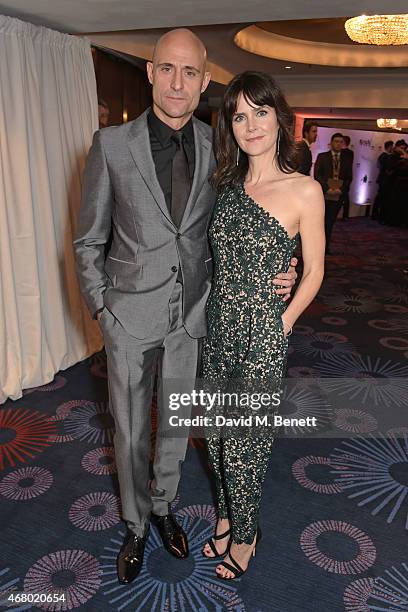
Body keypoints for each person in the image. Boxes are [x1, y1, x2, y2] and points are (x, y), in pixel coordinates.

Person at [74, 30, 297, 585]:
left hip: (192, 317)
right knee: (128, 430)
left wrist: (283, 268)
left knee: (177, 424)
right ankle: (133, 524)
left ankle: (165, 506)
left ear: (203, 82)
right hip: (128, 315)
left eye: (190, 73)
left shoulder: (218, 147)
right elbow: (87, 241)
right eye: (168, 70)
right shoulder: (111, 145)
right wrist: (103, 307)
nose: (178, 82)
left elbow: (246, 220)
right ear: (150, 72)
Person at [200, 71, 325, 580]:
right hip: (217, 326)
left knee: (246, 441)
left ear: (279, 118)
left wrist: (285, 321)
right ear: (230, 126)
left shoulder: (305, 190)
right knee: (214, 433)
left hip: (262, 333)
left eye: (261, 112)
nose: (250, 125)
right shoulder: (223, 185)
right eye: (239, 115)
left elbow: (314, 270)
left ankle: (247, 535)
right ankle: (226, 518)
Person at [314, 133, 353, 254]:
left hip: (338, 195)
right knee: (320, 222)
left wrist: (341, 190)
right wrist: (327, 188)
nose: (338, 144)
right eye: (336, 141)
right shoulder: (322, 156)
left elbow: (349, 178)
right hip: (324, 194)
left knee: (330, 222)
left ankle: (325, 247)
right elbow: (317, 175)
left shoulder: (346, 159)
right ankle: (316, 246)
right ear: (331, 143)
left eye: (341, 142)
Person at [372, 140, 393, 221]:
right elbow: (384, 168)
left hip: (383, 179)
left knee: (380, 197)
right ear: (389, 147)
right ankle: (376, 215)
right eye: (392, 146)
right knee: (380, 197)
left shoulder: (384, 156)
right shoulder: (384, 156)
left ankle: (377, 214)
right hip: (383, 180)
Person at [341, 135, 354, 219]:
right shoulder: (351, 153)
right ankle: (345, 216)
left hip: (343, 177)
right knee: (345, 197)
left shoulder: (344, 152)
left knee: (343, 196)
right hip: (347, 177)